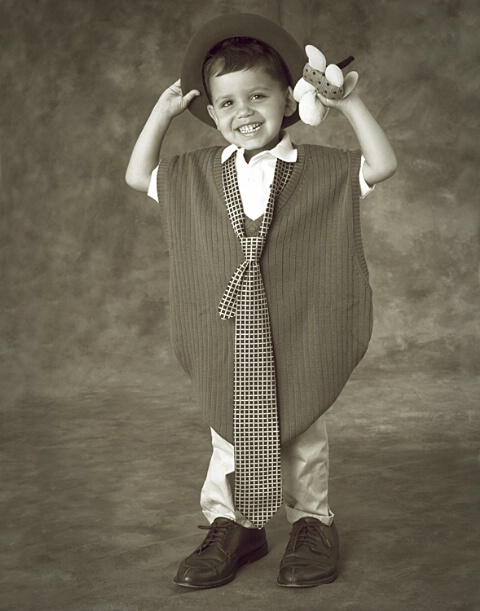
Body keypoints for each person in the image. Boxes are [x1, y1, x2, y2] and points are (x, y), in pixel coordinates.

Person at [125, 13, 397, 589]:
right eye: (226, 103)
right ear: (212, 112)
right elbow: (137, 175)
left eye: (257, 96)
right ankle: (236, 524)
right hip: (230, 334)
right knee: (228, 429)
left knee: (302, 430)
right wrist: (162, 112)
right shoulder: (195, 175)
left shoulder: (320, 170)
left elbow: (383, 165)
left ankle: (311, 523)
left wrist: (347, 104)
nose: (242, 112)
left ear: (288, 100)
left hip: (300, 326)